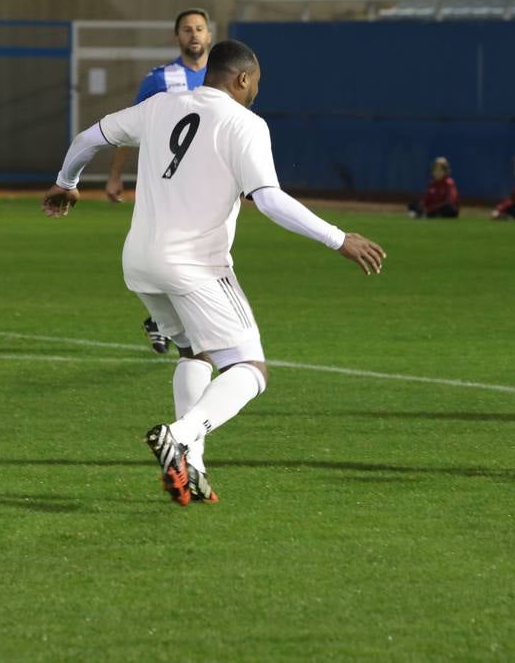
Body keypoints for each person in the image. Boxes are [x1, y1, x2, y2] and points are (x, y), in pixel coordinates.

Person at [44, 39, 385, 506]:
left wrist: (67, 184)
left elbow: (87, 139)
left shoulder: (160, 105)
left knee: (193, 354)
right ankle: (179, 436)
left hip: (139, 260)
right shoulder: (244, 123)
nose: (256, 93)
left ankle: (194, 467)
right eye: (256, 84)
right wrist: (338, 237)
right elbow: (267, 198)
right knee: (250, 368)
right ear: (242, 79)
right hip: (195, 265)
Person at [105, 8, 213, 356]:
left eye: (199, 29)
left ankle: (163, 320)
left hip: (208, 188)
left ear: (209, 35)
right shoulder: (160, 80)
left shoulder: (223, 77)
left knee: (201, 254)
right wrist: (116, 174)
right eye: (186, 29)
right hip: (167, 187)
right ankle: (171, 322)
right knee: (169, 251)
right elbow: (129, 128)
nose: (193, 35)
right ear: (176, 37)